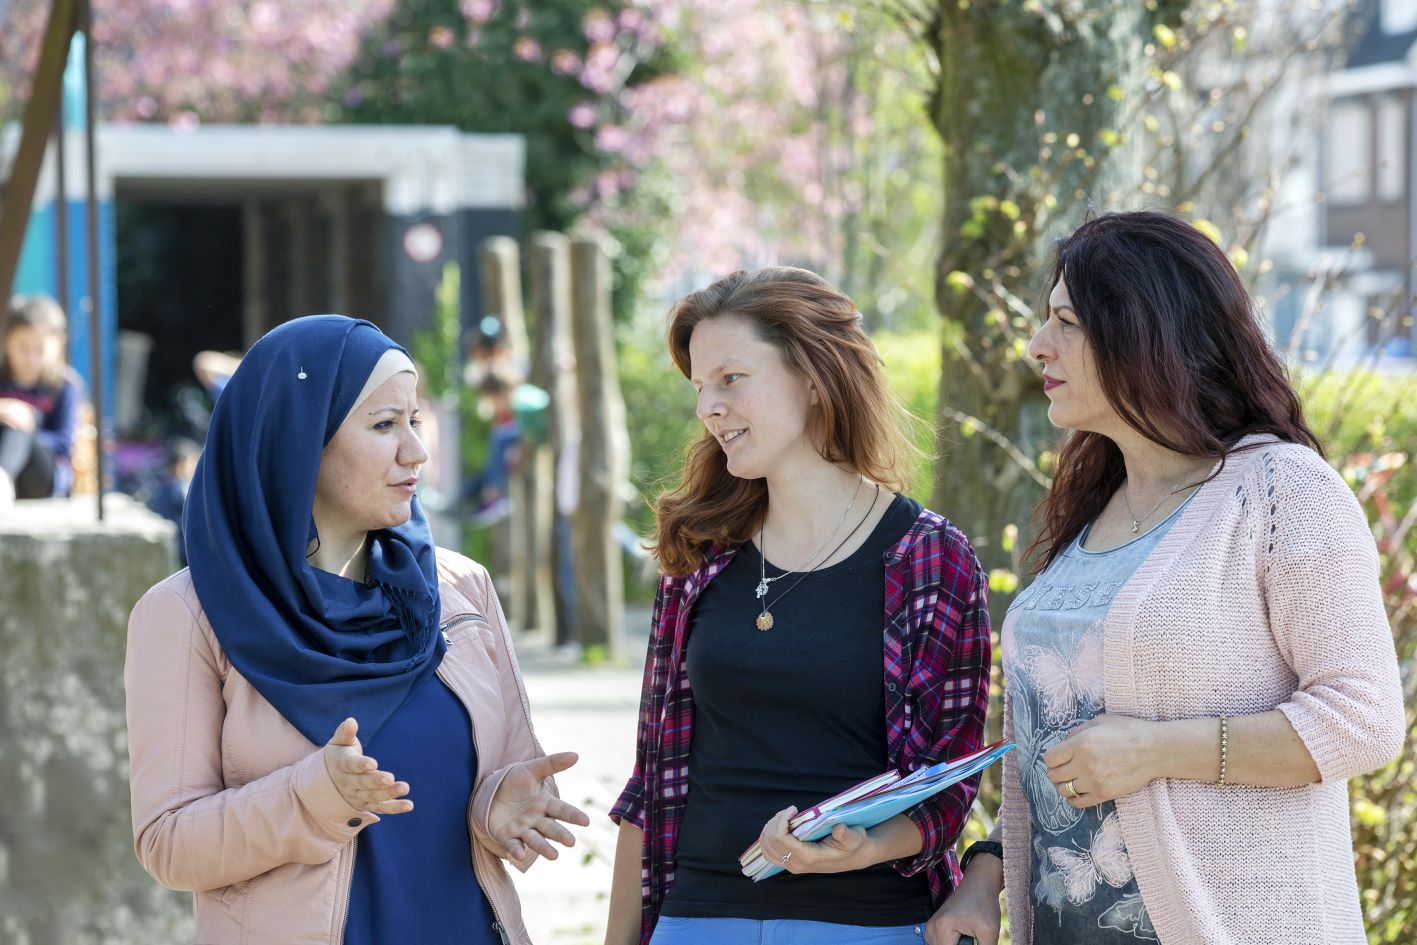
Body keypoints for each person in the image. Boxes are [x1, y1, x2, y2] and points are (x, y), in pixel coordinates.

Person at [925, 210, 1406, 945]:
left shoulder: (1281, 490)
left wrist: (1156, 750)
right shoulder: (1096, 503)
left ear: (1141, 331)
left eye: (1065, 322)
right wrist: (985, 875)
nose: (1036, 346)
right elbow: (1049, 749)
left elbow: (1364, 720)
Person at [124, 315, 588, 945]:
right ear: (297, 439)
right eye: (384, 425)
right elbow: (168, 842)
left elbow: (507, 772)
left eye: (414, 421)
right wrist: (309, 798)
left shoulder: (459, 589)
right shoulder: (186, 615)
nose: (416, 452)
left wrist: (498, 807)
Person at [604, 267, 993, 945]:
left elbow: (950, 785)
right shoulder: (701, 552)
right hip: (694, 920)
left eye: (730, 378)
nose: (708, 407)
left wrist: (862, 846)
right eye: (699, 386)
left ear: (813, 376)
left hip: (866, 923)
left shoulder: (932, 557)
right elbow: (651, 779)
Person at [0, 294, 83, 507]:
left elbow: (64, 444)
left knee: (17, 427)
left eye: (39, 350)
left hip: (40, 477)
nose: (31, 358)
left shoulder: (64, 386)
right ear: (7, 342)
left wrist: (27, 430)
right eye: (23, 348)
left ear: (58, 344)